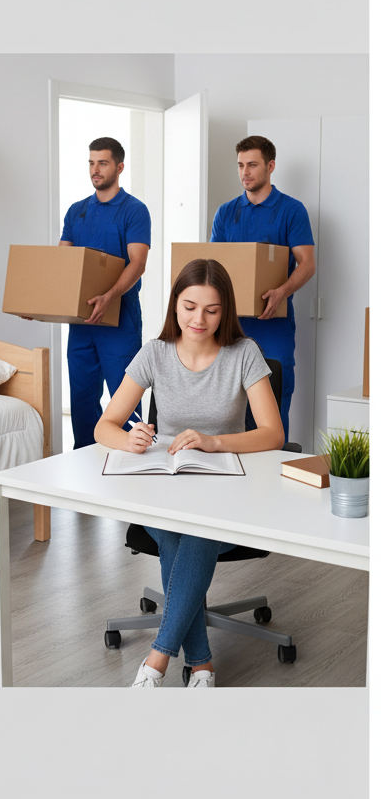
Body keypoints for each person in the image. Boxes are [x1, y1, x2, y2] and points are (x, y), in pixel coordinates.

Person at [94, 259, 284, 687]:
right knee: (178, 530)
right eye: (189, 306)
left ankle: (159, 657)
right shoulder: (155, 353)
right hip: (165, 489)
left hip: (227, 492)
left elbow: (273, 434)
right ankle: (200, 663)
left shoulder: (243, 354)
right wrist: (129, 439)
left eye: (212, 310)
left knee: (192, 534)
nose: (199, 319)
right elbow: (104, 425)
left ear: (226, 311)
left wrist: (216, 441)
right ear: (175, 305)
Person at [210, 135, 315, 443]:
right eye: (241, 165)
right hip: (231, 324)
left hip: (274, 323)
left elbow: (306, 263)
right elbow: (214, 267)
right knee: (227, 403)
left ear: (270, 166)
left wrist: (282, 291)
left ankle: (272, 476)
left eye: (253, 165)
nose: (245, 172)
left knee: (275, 399)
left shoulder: (291, 210)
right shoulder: (226, 213)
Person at [55, 136, 151, 448]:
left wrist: (110, 296)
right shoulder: (76, 211)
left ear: (119, 167)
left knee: (125, 400)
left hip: (119, 321)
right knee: (82, 401)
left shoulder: (134, 210)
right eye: (91, 163)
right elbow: (62, 264)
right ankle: (85, 467)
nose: (95, 170)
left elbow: (137, 263)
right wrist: (43, 301)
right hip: (82, 323)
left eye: (103, 163)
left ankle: (131, 466)